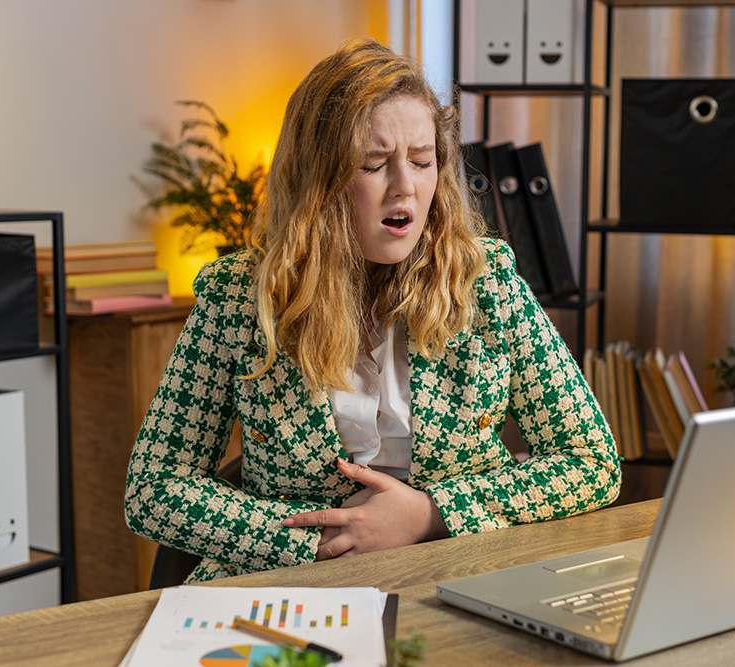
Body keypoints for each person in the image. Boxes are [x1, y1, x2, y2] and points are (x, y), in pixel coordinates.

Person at [125, 37, 621, 583]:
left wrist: (430, 515)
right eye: (374, 164)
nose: (404, 187)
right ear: (320, 179)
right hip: (287, 587)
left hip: (461, 575)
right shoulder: (239, 298)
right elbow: (155, 487)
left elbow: (591, 461)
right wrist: (321, 540)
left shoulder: (488, 281)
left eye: (422, 161)